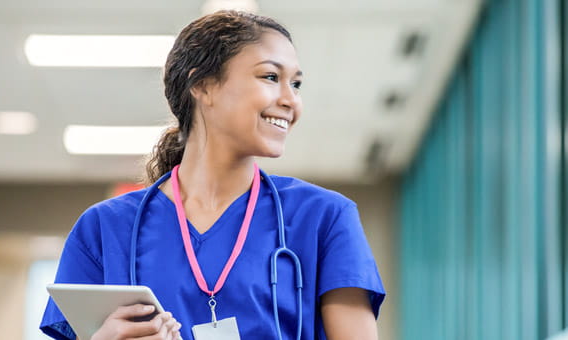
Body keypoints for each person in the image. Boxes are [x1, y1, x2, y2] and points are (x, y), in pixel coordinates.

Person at [39, 10, 384, 340]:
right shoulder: (104, 229)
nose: (290, 99)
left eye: (295, 84)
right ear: (203, 86)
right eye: (270, 77)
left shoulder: (324, 218)